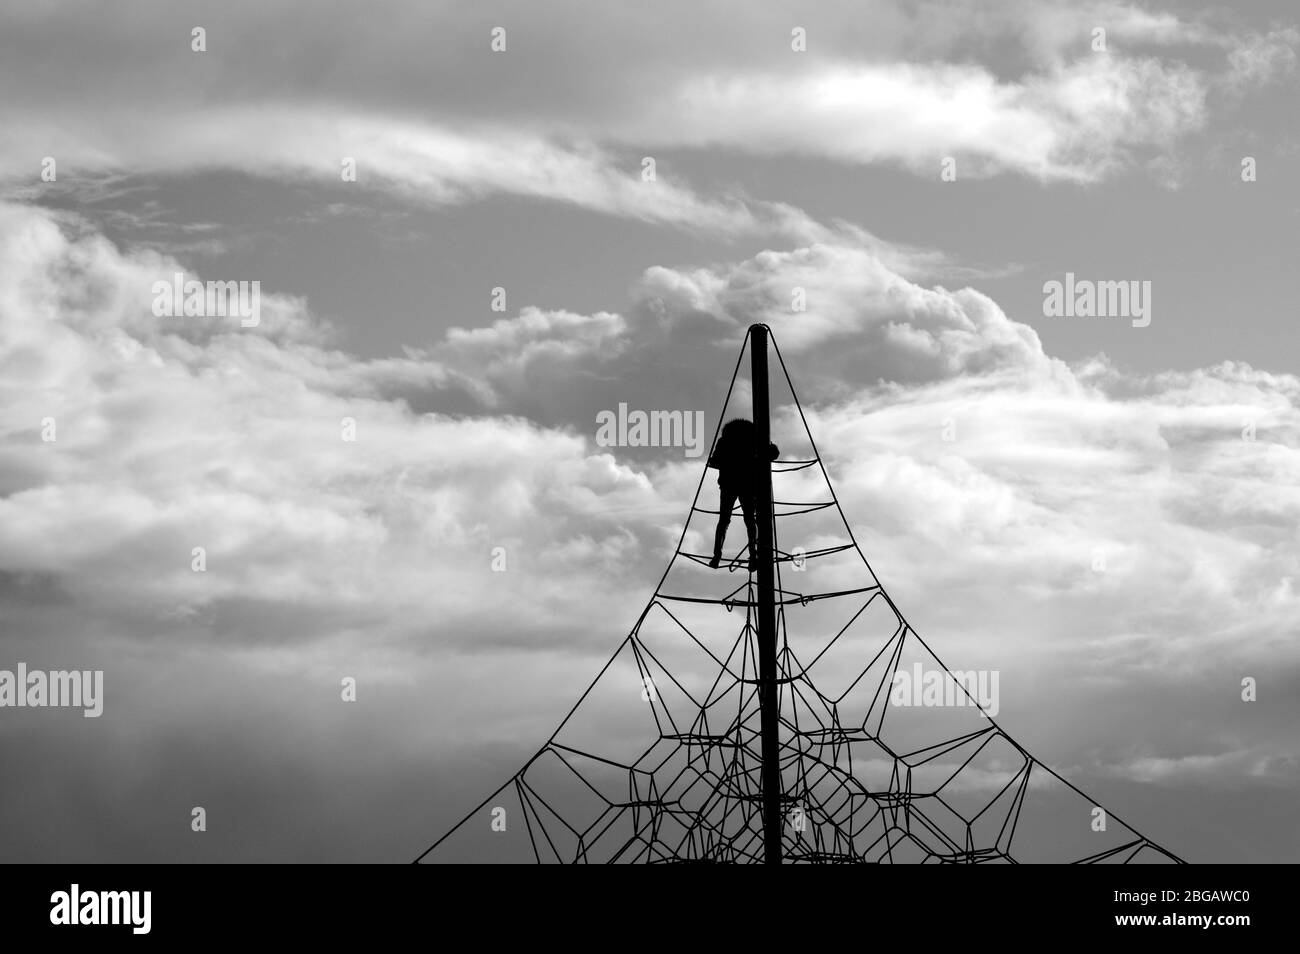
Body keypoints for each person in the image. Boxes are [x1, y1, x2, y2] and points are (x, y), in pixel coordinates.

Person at [706, 418, 779, 570]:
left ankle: (717, 556)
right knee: (750, 521)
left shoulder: (725, 441)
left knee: (724, 520)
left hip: (729, 484)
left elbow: (714, 461)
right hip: (747, 484)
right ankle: (754, 556)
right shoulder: (753, 439)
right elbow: (773, 453)